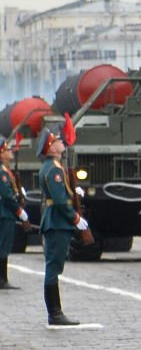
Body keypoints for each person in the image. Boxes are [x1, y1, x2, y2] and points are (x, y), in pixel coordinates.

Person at [38, 131, 86, 327]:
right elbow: (58, 200)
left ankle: (55, 312)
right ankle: (55, 313)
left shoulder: (53, 167)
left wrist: (72, 191)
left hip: (56, 221)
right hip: (57, 222)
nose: (61, 142)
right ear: (51, 147)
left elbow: (60, 193)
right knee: (53, 268)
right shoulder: (54, 170)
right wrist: (75, 218)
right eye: (58, 141)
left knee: (54, 267)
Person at [0, 134, 26, 291]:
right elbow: (7, 195)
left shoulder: (6, 171)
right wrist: (19, 211)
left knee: (4, 246)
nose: (11, 152)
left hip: (5, 212)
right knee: (3, 246)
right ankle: (2, 279)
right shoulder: (2, 173)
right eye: (8, 150)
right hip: (5, 213)